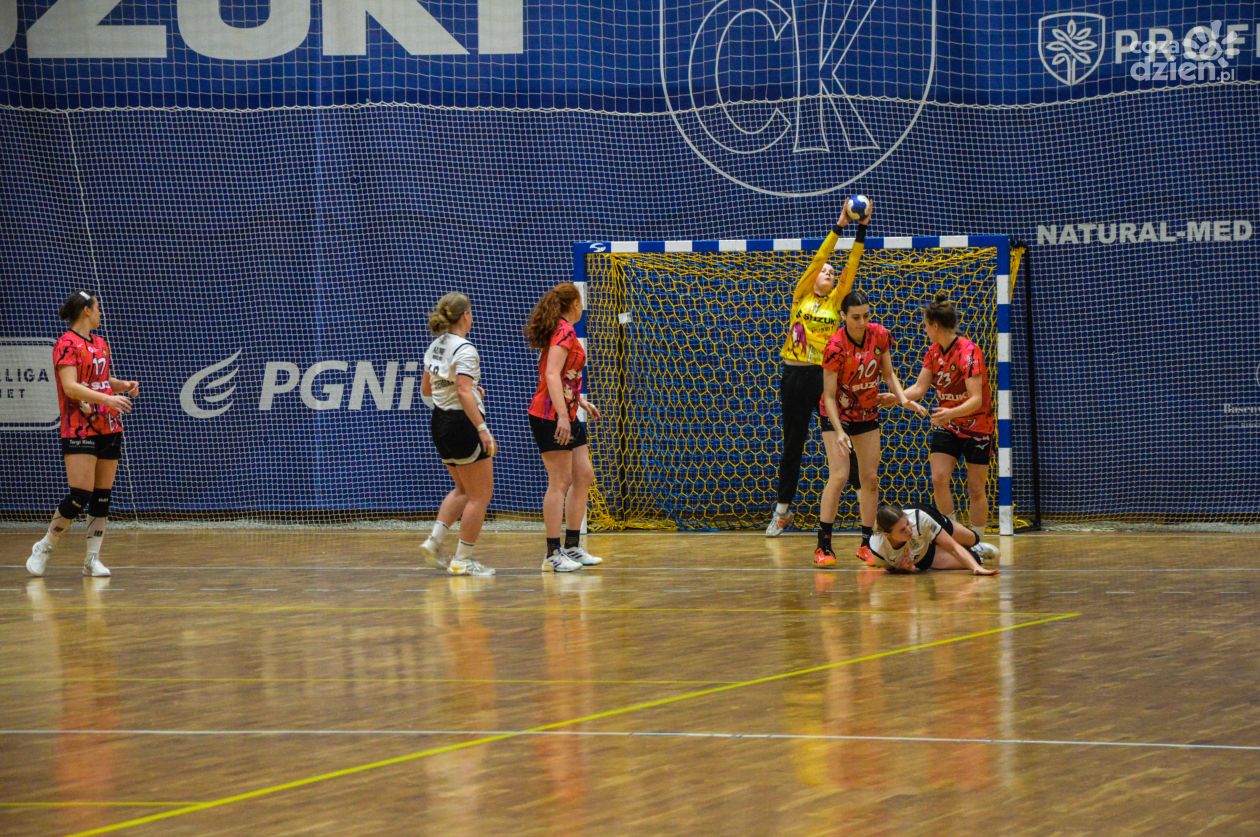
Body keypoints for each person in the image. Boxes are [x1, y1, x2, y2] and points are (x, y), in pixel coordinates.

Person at [767, 198, 871, 537]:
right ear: (814, 279)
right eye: (825, 272)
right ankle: (782, 511)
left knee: (842, 440)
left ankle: (865, 506)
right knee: (793, 444)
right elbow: (820, 258)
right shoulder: (801, 295)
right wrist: (840, 224)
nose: (829, 272)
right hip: (794, 376)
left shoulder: (838, 300)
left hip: (825, 379)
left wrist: (861, 228)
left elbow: (851, 265)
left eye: (832, 273)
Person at [27, 290, 138, 578]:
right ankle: (45, 546)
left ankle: (92, 559)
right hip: (79, 426)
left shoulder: (100, 343)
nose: (101, 313)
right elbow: (71, 387)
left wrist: (123, 385)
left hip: (109, 425)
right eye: (97, 308)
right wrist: (108, 398)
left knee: (102, 496)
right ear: (86, 310)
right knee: (80, 494)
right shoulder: (66, 344)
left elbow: (101, 381)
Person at [814, 290, 926, 568]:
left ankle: (866, 543)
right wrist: (840, 431)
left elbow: (888, 374)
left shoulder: (879, 335)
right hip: (837, 414)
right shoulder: (835, 347)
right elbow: (829, 395)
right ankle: (823, 545)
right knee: (839, 475)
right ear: (843, 316)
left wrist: (903, 399)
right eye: (855, 317)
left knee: (870, 478)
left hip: (866, 411)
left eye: (866, 315)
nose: (862, 322)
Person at [899, 292, 995, 530]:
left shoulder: (969, 352)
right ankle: (954, 533)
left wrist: (950, 413)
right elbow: (919, 388)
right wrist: (895, 397)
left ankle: (977, 539)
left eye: (925, 325)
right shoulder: (933, 351)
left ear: (935, 325)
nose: (924, 330)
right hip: (949, 425)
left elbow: (976, 400)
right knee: (939, 479)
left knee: (975, 488)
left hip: (977, 426)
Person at [525, 282, 603, 572]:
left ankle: (572, 545)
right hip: (550, 415)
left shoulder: (562, 329)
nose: (582, 306)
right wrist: (561, 415)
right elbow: (551, 374)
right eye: (581, 302)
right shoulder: (565, 331)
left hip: (567, 411)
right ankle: (552, 553)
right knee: (559, 481)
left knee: (583, 475)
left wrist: (579, 401)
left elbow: (565, 376)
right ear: (575, 304)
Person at [418, 292, 497, 577]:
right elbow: (463, 391)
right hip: (462, 424)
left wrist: (470, 392)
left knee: (463, 489)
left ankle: (434, 541)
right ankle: (462, 559)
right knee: (480, 494)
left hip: (440, 422)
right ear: (465, 315)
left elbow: (427, 390)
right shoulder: (465, 349)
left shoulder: (436, 345)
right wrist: (482, 429)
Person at [869, 505, 999, 575]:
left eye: (907, 523)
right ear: (887, 534)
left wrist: (976, 568)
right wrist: (904, 569)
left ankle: (975, 545)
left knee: (973, 538)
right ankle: (975, 551)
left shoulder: (920, 519)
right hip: (922, 552)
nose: (909, 530)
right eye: (902, 530)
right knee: (975, 558)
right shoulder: (878, 550)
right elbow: (891, 570)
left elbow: (953, 547)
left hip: (929, 522)